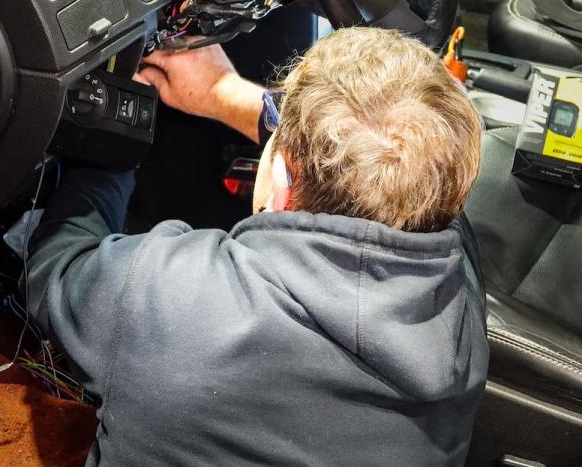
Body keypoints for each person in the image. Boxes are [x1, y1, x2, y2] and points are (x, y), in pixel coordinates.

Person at [25, 27, 489, 465]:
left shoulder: (172, 297)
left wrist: (111, 152)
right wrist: (222, 93)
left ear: (282, 182)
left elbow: (56, 266)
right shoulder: (457, 280)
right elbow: (393, 162)